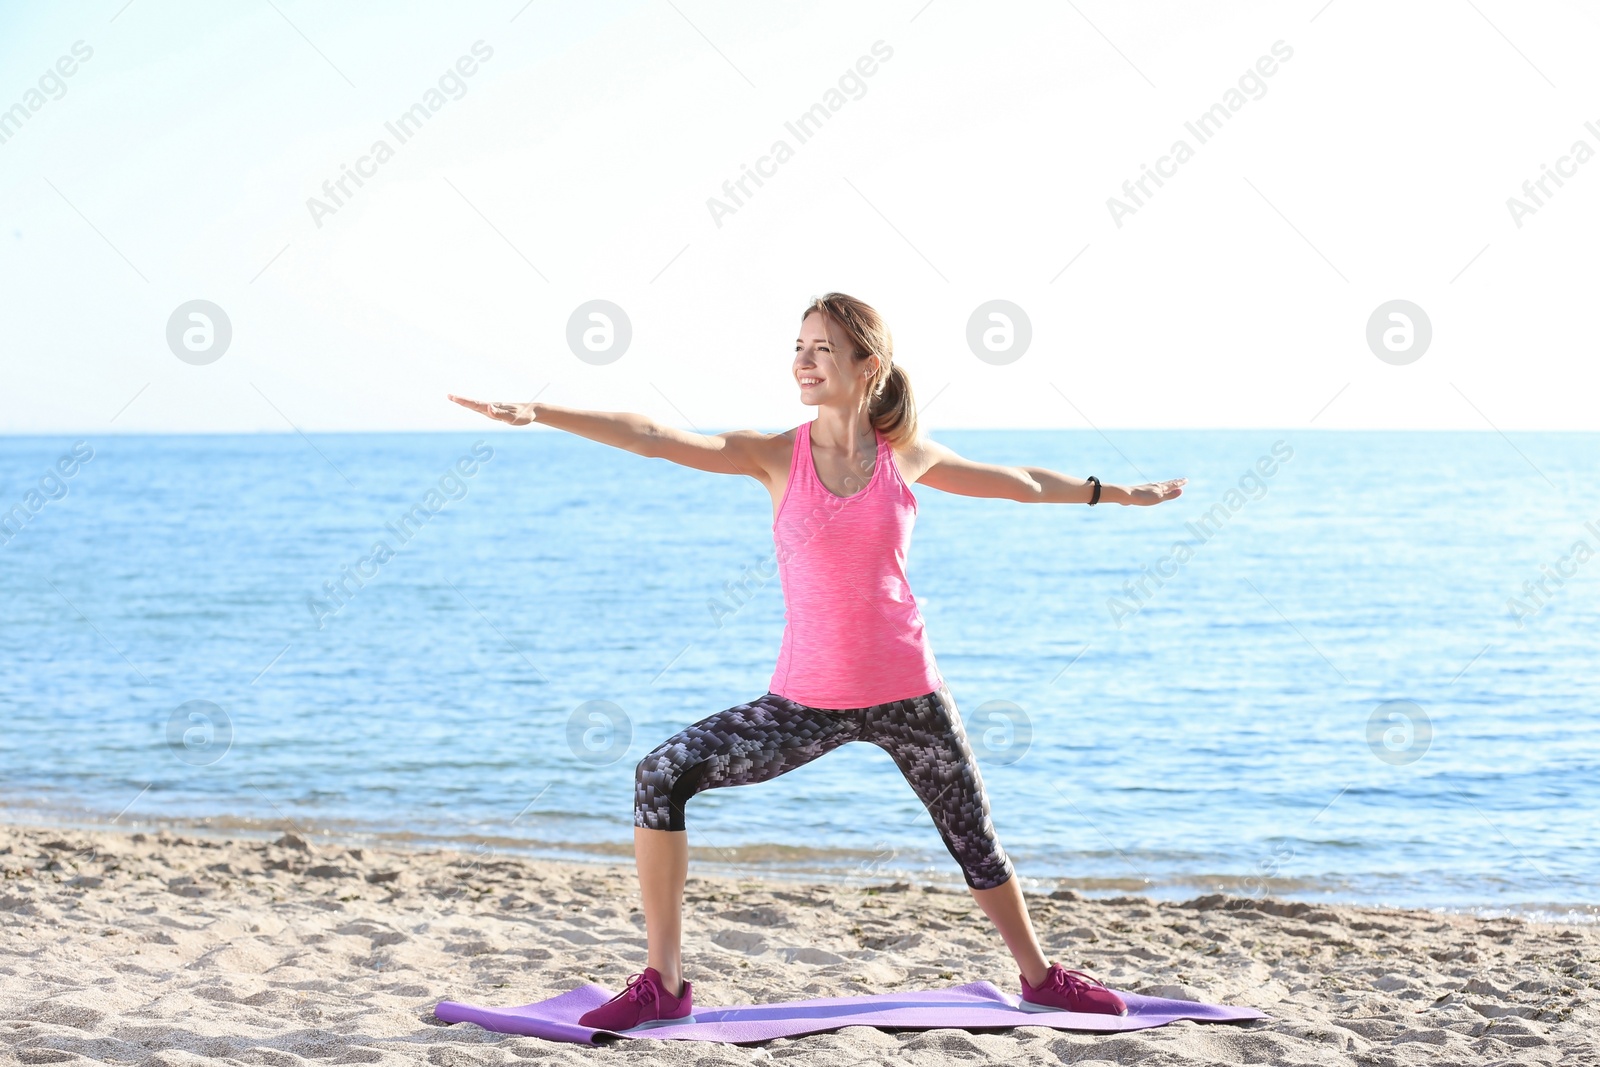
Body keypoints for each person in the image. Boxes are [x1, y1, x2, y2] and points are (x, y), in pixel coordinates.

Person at [449, 292, 1185, 1031]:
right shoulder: (774, 455)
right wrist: (541, 413)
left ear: (869, 365)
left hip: (909, 691)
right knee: (659, 772)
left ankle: (1039, 976)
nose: (802, 360)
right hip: (805, 702)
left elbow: (1021, 482)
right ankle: (664, 981)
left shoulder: (908, 456)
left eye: (822, 348)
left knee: (975, 837)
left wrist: (1118, 494)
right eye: (798, 346)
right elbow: (653, 435)